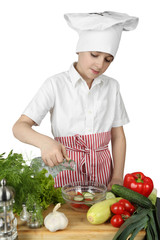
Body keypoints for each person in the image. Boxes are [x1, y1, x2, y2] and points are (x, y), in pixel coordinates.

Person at [12, 11, 139, 190]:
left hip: (103, 175)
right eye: (94, 54)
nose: (99, 65)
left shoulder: (112, 87)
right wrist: (45, 142)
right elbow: (19, 127)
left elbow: (118, 136)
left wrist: (118, 175)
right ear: (79, 49)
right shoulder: (55, 84)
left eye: (108, 59)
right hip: (64, 172)